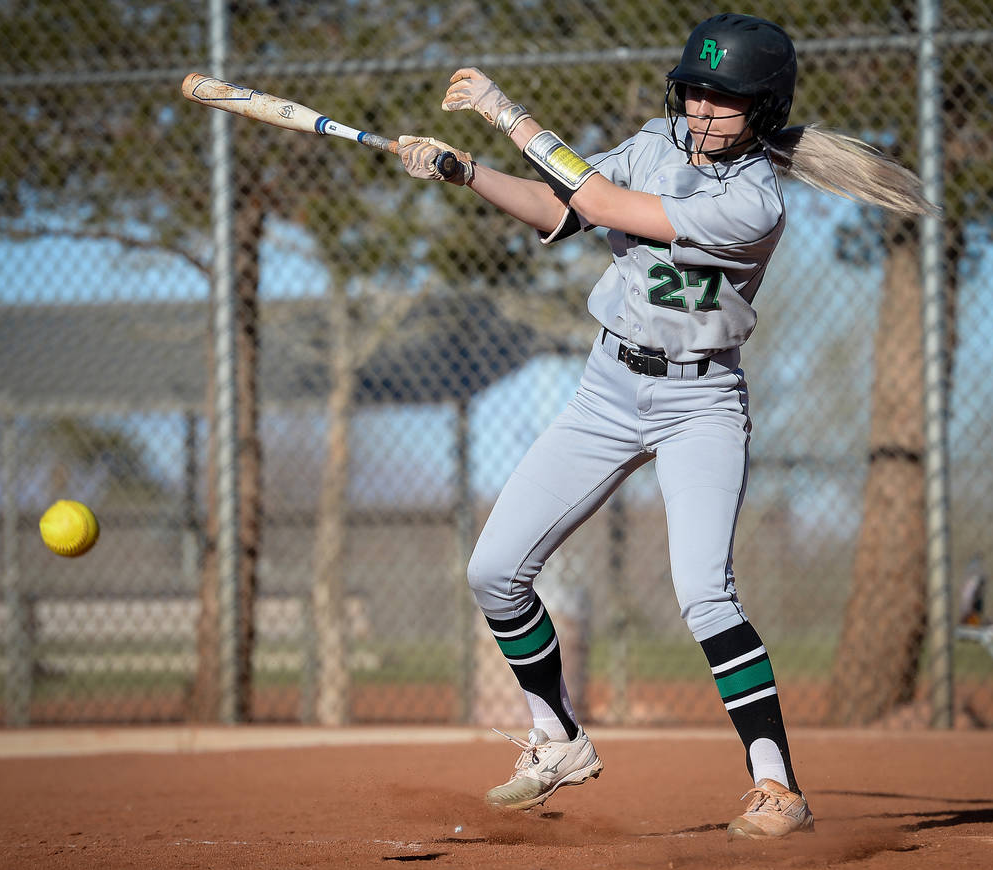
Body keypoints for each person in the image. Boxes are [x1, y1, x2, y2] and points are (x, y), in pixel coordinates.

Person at [397, 13, 934, 840]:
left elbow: (602, 200)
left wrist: (509, 115)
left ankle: (776, 785)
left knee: (703, 593)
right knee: (494, 570)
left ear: (763, 108)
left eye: (725, 98)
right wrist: (466, 170)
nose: (703, 108)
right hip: (606, 388)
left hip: (701, 405)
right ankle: (557, 738)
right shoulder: (654, 142)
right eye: (695, 90)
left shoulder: (755, 201)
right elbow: (563, 210)